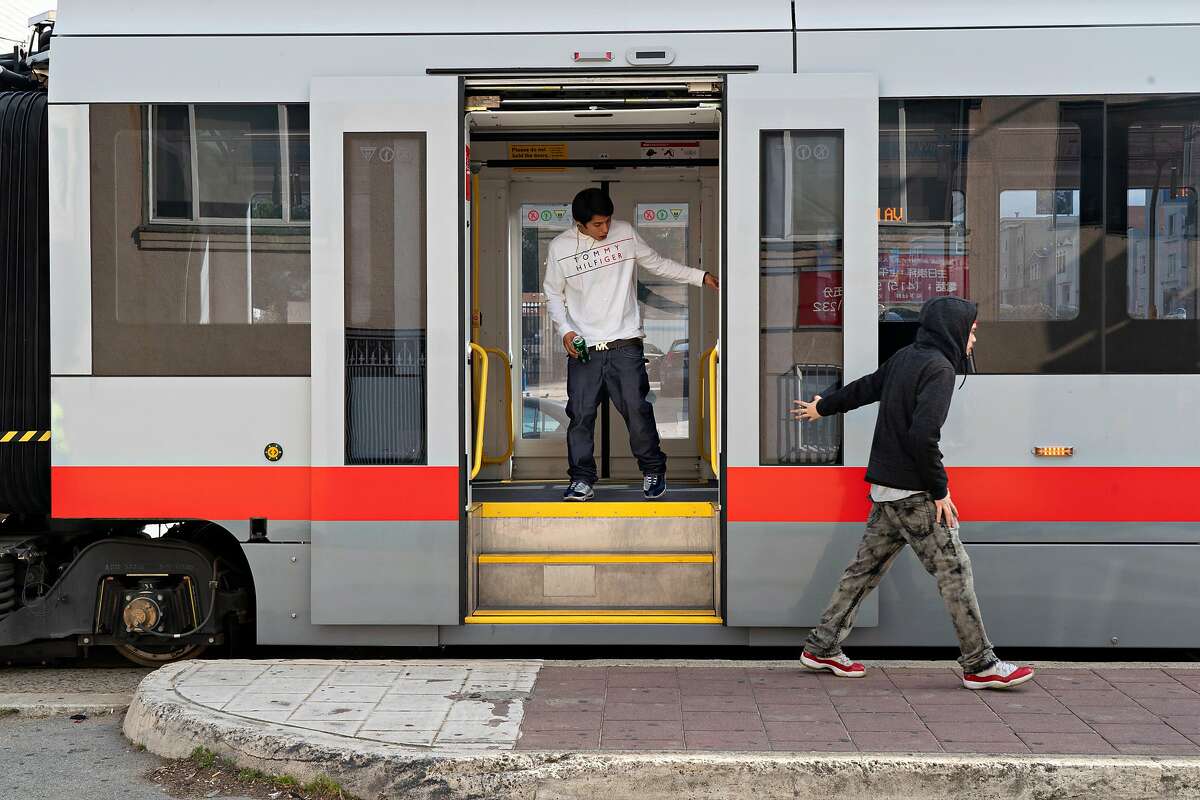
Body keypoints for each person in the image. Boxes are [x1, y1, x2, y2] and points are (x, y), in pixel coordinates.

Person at [791, 296, 1034, 689]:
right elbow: (923, 436)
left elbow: (867, 388)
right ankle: (980, 664)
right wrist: (940, 490)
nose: (974, 337)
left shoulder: (908, 356)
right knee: (955, 572)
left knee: (862, 573)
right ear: (954, 329)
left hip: (886, 491)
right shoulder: (939, 369)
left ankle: (821, 647)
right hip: (914, 495)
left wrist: (825, 408)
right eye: (971, 330)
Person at [544, 188, 719, 501]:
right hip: (585, 348)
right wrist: (565, 331)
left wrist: (700, 276)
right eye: (598, 225)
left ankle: (653, 470)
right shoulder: (560, 247)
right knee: (581, 416)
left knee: (638, 411)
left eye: (608, 221)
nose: (606, 229)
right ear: (580, 223)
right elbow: (553, 294)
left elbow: (659, 264)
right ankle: (581, 480)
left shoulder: (625, 234)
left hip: (625, 344)